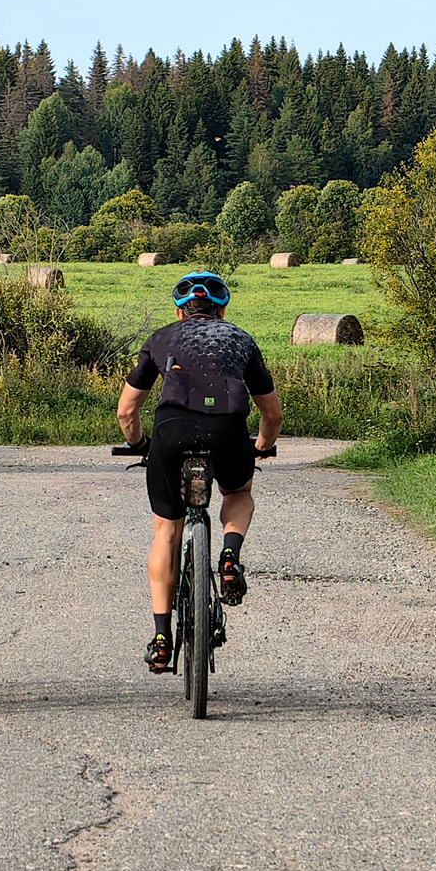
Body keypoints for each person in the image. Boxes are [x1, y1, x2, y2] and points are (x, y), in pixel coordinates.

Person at [117, 271, 281, 673]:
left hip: (171, 433)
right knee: (238, 493)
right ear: (222, 310)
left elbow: (126, 410)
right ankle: (229, 555)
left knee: (166, 531)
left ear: (179, 311)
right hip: (228, 430)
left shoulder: (160, 338)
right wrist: (260, 446)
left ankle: (160, 638)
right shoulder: (241, 339)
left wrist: (140, 445)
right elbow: (272, 413)